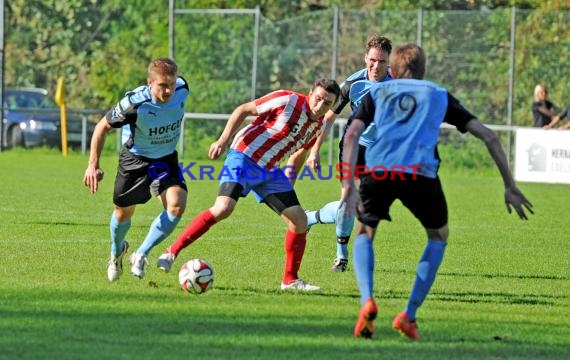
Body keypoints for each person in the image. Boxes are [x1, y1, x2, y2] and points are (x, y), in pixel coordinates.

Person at [340, 43, 534, 340]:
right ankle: (409, 316)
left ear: (394, 68)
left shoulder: (378, 92)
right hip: (420, 175)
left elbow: (352, 134)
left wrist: (349, 184)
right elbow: (490, 137)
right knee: (438, 236)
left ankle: (367, 300)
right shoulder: (438, 94)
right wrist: (509, 184)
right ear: (423, 69)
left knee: (365, 233)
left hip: (378, 172)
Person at [156, 79, 341, 291]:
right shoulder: (288, 99)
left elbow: (300, 154)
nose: (319, 106)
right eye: (317, 98)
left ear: (332, 106)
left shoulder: (317, 127)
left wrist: (289, 182)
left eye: (327, 103)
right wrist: (223, 140)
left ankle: (290, 280)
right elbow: (244, 109)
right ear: (310, 93)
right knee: (223, 208)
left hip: (270, 170)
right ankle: (171, 252)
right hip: (244, 155)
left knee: (299, 220)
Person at [286, 34, 393, 273]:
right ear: (365, 58)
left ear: (389, 62)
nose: (376, 66)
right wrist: (314, 149)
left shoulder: (397, 85)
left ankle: (311, 217)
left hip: (380, 151)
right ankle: (341, 255)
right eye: (372, 60)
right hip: (353, 146)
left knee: (363, 207)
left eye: (382, 62)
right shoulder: (352, 84)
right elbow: (329, 116)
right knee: (349, 200)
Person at [83, 57, 190, 282]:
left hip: (165, 160)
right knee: (122, 214)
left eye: (171, 83)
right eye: (162, 85)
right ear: (150, 83)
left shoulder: (182, 88)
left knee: (177, 206)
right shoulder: (133, 104)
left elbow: (176, 90)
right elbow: (101, 127)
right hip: (135, 162)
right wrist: (93, 165)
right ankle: (116, 252)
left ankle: (141, 253)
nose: (169, 90)